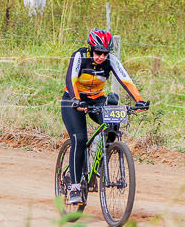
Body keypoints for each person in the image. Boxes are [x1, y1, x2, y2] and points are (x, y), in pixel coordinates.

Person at [61, 29, 149, 205]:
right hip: (73, 99)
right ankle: (75, 187)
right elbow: (71, 80)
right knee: (79, 138)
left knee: (113, 126)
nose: (101, 57)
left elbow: (126, 79)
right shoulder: (80, 56)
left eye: (105, 53)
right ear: (91, 48)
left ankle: (98, 157)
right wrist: (77, 100)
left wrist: (139, 100)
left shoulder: (110, 60)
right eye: (98, 52)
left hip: (96, 99)